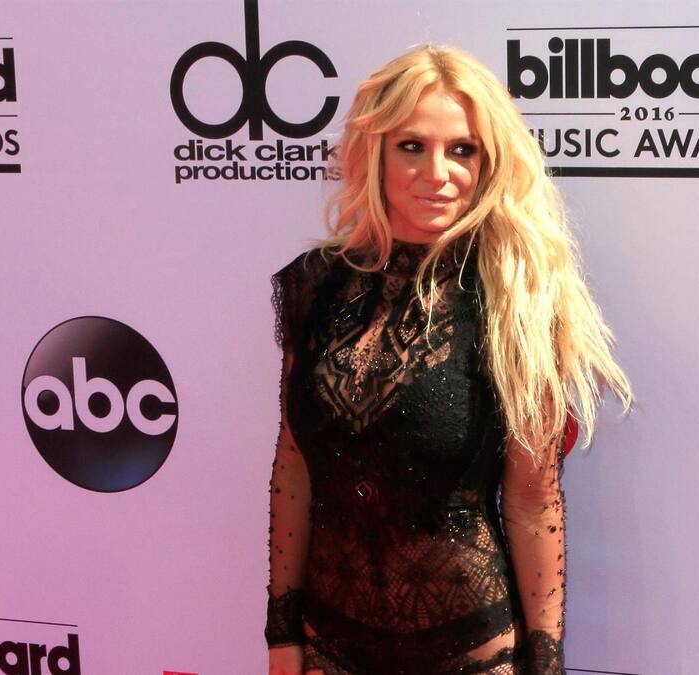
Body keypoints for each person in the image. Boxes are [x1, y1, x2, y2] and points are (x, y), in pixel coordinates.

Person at [265, 45, 631, 675]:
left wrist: (545, 663)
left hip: (466, 649)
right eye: (412, 146)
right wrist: (282, 635)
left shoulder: (516, 297)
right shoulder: (312, 286)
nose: (438, 172)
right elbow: (294, 467)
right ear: (374, 152)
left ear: (488, 163)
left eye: (462, 150)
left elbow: (533, 501)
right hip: (330, 646)